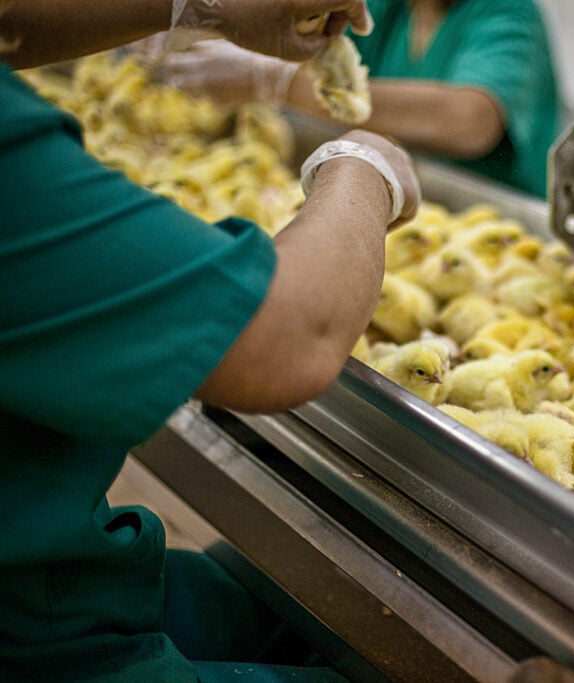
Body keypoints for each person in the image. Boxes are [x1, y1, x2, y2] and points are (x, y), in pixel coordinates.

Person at [0, 1, 421, 681]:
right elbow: (289, 336)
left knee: (289, 614)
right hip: (31, 638)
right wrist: (361, 165)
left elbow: (10, 23)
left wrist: (200, 5)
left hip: (49, 566)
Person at [164, 0, 561, 198]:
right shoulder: (390, 9)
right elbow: (312, 46)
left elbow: (471, 120)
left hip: (493, 225)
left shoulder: (508, 15)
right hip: (394, 193)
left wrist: (276, 82)